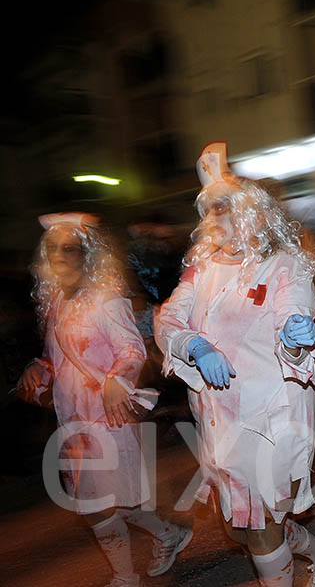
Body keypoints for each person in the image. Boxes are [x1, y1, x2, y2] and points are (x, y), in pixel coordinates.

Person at [154, 142, 315, 587]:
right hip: (217, 418)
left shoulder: (282, 266)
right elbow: (168, 318)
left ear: (250, 212)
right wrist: (193, 346)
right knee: (238, 527)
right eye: (207, 210)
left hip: (268, 417)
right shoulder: (200, 269)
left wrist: (296, 335)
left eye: (221, 208)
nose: (211, 220)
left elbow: (294, 309)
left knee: (258, 525)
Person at [16, 213, 190, 587]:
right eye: (53, 249)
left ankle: (125, 577)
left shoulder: (105, 300)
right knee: (111, 503)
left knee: (98, 506)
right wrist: (38, 369)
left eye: (70, 249)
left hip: (107, 417)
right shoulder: (57, 303)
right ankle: (166, 535)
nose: (60, 256)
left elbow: (131, 351)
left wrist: (116, 379)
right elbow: (58, 359)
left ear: (86, 255)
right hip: (74, 422)